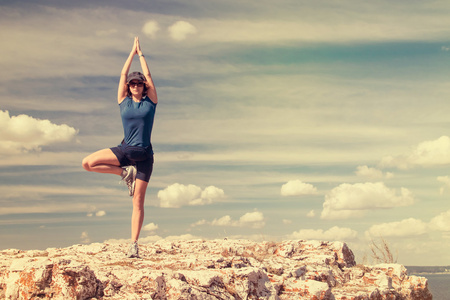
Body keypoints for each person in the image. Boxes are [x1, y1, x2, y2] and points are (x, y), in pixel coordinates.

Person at [82, 36, 158, 258]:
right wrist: (130, 54)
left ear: (144, 86)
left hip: (144, 157)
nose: (135, 85)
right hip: (125, 151)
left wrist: (141, 54)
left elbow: (151, 77)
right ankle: (125, 173)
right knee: (87, 163)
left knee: (138, 202)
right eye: (132, 83)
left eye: (139, 83)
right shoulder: (123, 101)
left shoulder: (150, 102)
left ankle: (133, 245)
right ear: (129, 87)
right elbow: (122, 75)